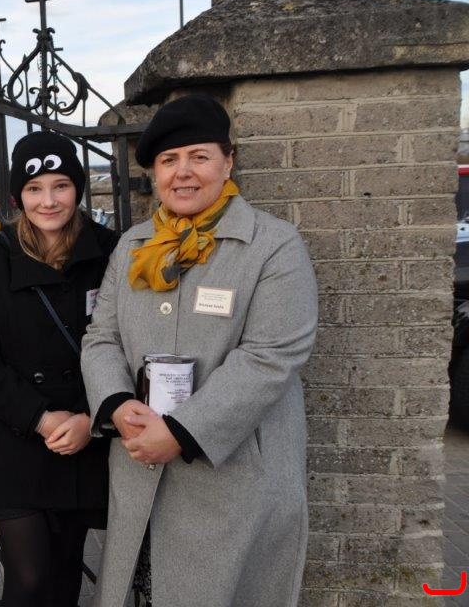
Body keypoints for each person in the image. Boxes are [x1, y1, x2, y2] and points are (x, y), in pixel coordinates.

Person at [81, 93, 317, 607]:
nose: (183, 172)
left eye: (199, 156)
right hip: (141, 467)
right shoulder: (133, 245)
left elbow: (270, 356)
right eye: (169, 160)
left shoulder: (273, 245)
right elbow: (101, 337)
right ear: (155, 173)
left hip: (232, 477)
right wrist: (117, 404)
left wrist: (182, 432)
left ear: (228, 162)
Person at [0, 131, 118, 607]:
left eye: (60, 185)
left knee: (65, 575)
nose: (48, 201)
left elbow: (126, 345)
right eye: (34, 188)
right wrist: (40, 418)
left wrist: (91, 419)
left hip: (84, 438)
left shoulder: (111, 250)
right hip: (17, 438)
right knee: (29, 581)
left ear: (78, 188)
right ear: (17, 196)